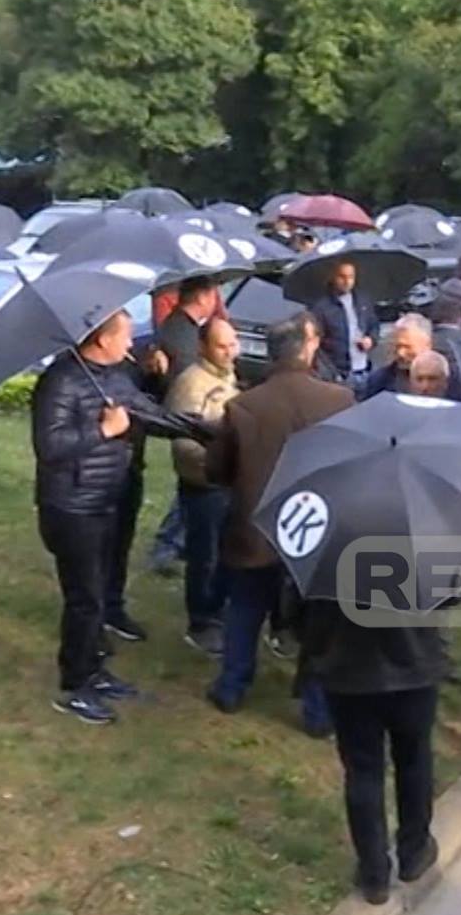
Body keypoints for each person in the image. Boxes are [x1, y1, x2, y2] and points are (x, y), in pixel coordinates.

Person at [206, 313, 353, 730]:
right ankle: (318, 709)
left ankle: (232, 685)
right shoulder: (339, 400)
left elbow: (216, 470)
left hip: (257, 529)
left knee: (246, 608)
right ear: (307, 350)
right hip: (319, 530)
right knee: (318, 621)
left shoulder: (242, 407)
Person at [32, 311, 164, 725]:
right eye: (125, 335)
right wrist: (104, 432)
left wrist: (213, 429)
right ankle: (75, 685)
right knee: (85, 599)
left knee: (100, 591)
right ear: (103, 340)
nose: (132, 342)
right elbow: (50, 447)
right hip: (72, 506)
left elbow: (148, 412)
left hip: (108, 497)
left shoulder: (114, 375)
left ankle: (94, 669)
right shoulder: (61, 381)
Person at [305, 595, 449, 904]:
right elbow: (447, 594)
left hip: (347, 667)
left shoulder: (330, 547)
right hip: (414, 662)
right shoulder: (421, 546)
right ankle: (414, 850)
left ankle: (374, 872)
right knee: (414, 759)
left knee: (362, 769)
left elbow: (298, 602)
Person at [165, 318, 241, 657]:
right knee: (204, 556)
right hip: (204, 485)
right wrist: (220, 454)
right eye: (221, 346)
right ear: (203, 348)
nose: (229, 352)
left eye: (232, 344)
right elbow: (183, 442)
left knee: (224, 553)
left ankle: (217, 612)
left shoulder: (227, 377)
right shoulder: (191, 385)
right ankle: (201, 622)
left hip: (228, 483)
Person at [143, 276, 224, 574]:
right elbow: (187, 378)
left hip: (185, 414)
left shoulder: (182, 328)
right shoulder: (183, 333)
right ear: (203, 298)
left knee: (191, 487)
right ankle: (166, 547)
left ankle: (176, 544)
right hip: (188, 415)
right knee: (194, 484)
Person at [309, 261, 378, 387]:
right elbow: (317, 344)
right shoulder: (322, 308)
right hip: (340, 374)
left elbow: (373, 325)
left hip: (364, 368)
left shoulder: (362, 300)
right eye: (342, 277)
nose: (347, 281)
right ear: (333, 277)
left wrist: (371, 339)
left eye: (351, 277)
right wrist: (331, 373)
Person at [361, 314, 461, 400]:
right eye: (397, 346)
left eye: (407, 347)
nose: (401, 353)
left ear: (427, 344)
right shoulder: (379, 381)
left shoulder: (449, 378)